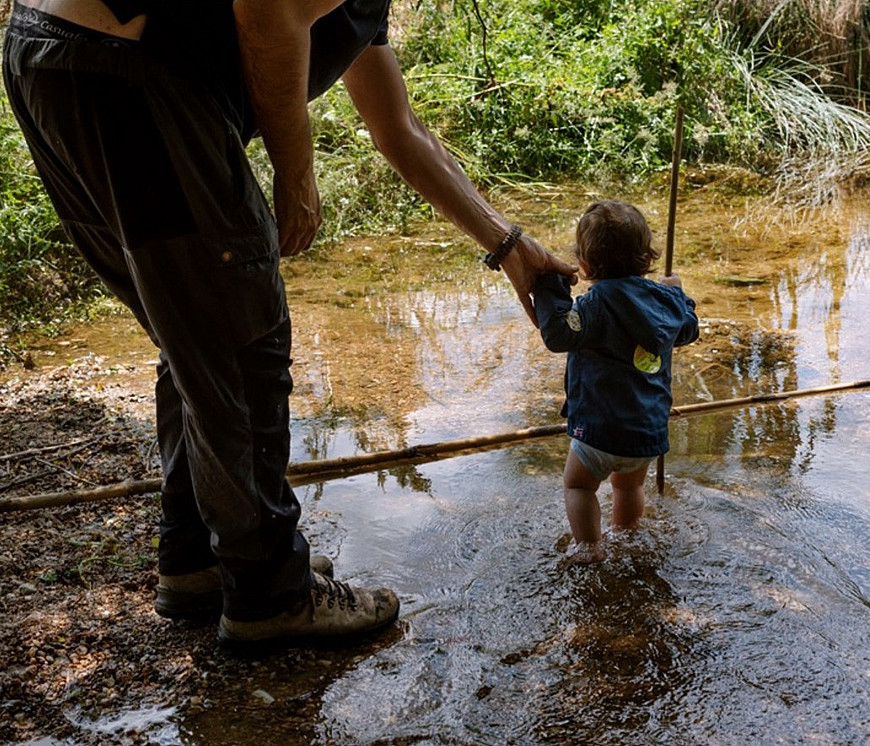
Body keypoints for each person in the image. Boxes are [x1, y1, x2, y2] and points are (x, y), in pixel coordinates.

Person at [2, 0, 577, 647]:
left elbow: (400, 130)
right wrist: (296, 171)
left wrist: (512, 249)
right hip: (130, 68)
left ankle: (198, 559)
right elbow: (267, 8)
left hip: (58, 56)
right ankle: (269, 590)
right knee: (243, 337)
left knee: (195, 326)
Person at [534, 200, 699, 564]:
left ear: (586, 264)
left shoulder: (594, 305)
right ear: (647, 258)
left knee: (578, 485)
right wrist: (680, 296)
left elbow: (559, 334)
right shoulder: (665, 301)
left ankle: (590, 547)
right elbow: (688, 330)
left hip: (599, 430)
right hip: (646, 433)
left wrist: (550, 288)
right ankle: (626, 538)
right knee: (629, 486)